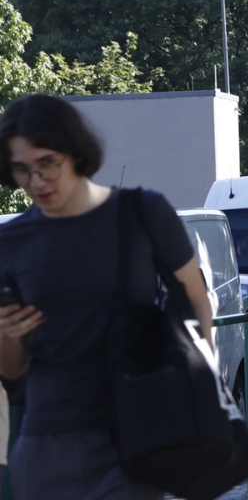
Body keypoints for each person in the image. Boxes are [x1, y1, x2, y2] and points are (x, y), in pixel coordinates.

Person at [0, 94, 214, 500]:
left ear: (75, 151)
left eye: (47, 163)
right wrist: (7, 335)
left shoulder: (142, 213)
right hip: (46, 443)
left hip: (132, 435)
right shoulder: (10, 241)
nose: (36, 181)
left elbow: (196, 299)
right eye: (21, 169)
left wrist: (195, 384)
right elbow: (12, 372)